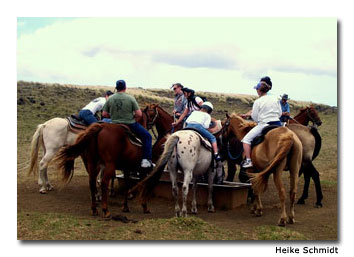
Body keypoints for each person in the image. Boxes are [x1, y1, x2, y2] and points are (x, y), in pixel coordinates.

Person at [102, 80, 153, 168]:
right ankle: (146, 160)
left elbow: (104, 114)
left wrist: (114, 116)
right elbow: (139, 114)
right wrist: (134, 119)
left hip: (114, 123)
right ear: (125, 88)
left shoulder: (110, 98)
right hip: (129, 124)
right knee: (148, 136)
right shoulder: (130, 98)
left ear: (116, 88)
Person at [241, 81, 282, 168]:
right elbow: (280, 113)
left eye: (256, 89)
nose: (256, 91)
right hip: (278, 124)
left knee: (246, 140)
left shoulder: (258, 101)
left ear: (259, 90)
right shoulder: (276, 99)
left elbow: (255, 117)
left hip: (265, 124)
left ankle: (248, 161)